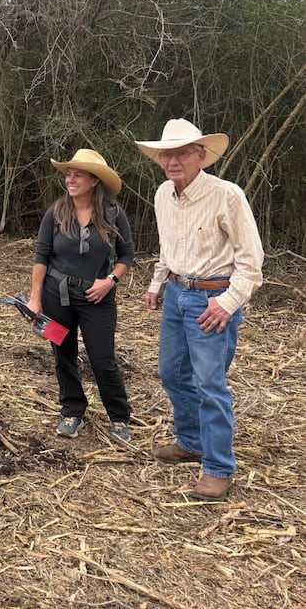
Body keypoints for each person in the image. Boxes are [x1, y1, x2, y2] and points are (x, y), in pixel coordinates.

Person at [136, 118, 263, 501]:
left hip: (213, 296)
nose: (173, 161)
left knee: (210, 384)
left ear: (201, 156)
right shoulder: (163, 194)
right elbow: (167, 246)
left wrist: (227, 303)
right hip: (177, 293)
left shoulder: (227, 195)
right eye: (166, 154)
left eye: (182, 153)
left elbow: (251, 260)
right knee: (172, 373)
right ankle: (190, 442)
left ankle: (219, 466)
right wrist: (158, 284)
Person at [27, 149, 135, 441]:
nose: (71, 180)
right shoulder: (57, 213)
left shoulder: (113, 214)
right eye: (68, 175)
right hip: (56, 295)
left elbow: (127, 254)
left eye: (78, 175)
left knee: (102, 359)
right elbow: (42, 256)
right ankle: (72, 412)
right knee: (64, 355)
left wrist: (110, 281)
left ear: (95, 181)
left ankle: (119, 416)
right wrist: (35, 299)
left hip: (97, 298)